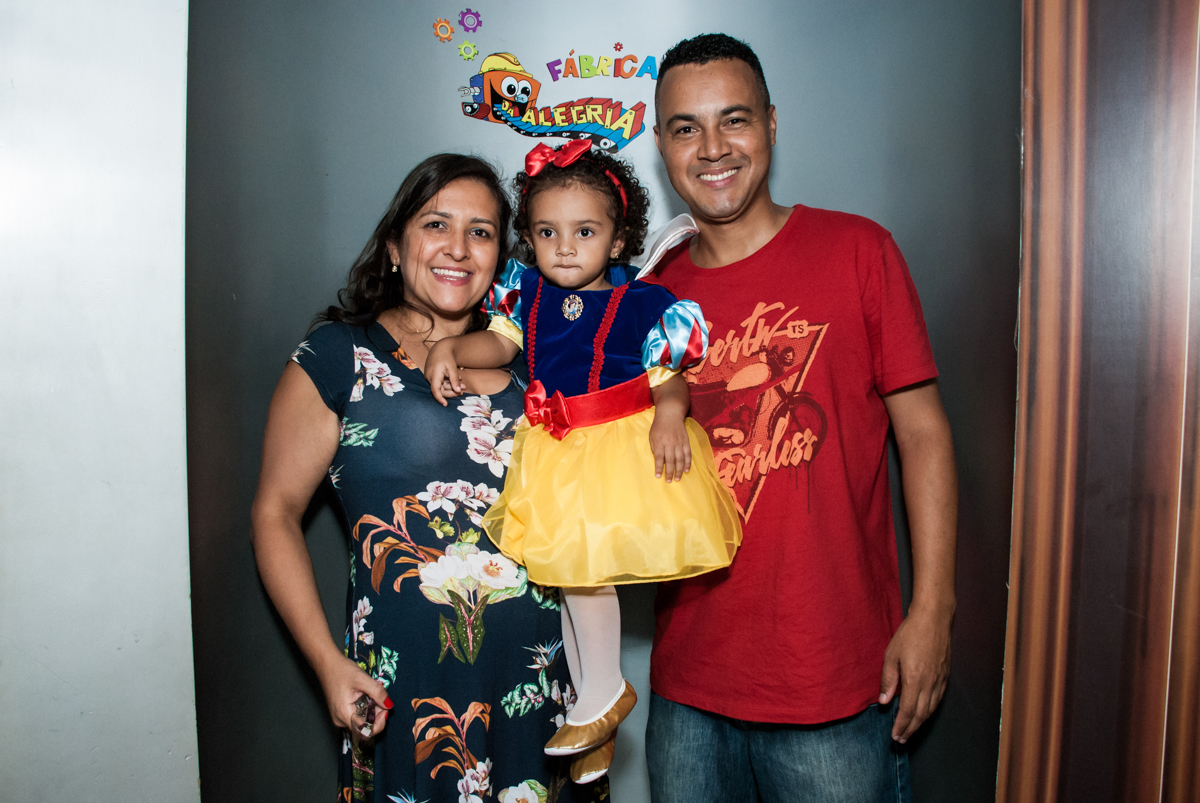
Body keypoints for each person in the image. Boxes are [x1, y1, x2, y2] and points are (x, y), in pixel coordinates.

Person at [641, 34, 959, 802]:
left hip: (836, 683)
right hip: (688, 689)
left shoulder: (858, 250)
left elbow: (923, 435)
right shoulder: (648, 297)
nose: (713, 148)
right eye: (686, 127)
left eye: (735, 120)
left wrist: (934, 610)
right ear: (661, 146)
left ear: (772, 126)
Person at [250, 154, 608, 803]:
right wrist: (328, 663)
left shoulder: (536, 360)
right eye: (436, 223)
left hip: (539, 688)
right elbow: (273, 511)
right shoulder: (339, 354)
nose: (458, 248)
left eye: (481, 231)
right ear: (394, 245)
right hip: (405, 696)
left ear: (501, 255)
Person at [424, 140, 742, 784]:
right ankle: (586, 709)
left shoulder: (642, 302)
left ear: (619, 237)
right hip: (554, 450)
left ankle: (603, 692)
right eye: (547, 232)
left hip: (614, 447)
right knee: (569, 580)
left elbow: (668, 376)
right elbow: (503, 347)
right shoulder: (529, 294)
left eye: (585, 231)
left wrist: (672, 418)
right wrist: (455, 348)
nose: (564, 247)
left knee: (588, 574)